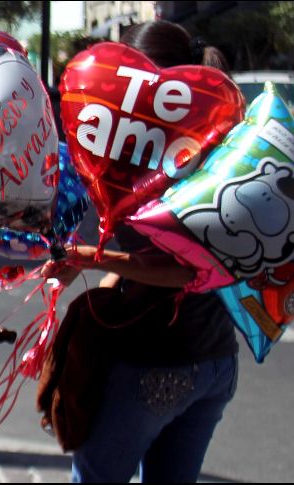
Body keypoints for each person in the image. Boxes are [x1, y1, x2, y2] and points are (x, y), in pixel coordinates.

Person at [43, 21, 239, 483]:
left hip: (156, 365)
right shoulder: (209, 145)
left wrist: (92, 259)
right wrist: (99, 270)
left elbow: (188, 270)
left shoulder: (164, 153)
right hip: (215, 358)